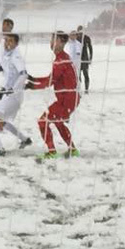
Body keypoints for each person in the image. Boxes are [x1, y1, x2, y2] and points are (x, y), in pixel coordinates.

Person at [26, 31, 81, 159]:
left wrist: (32, 86)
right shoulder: (62, 58)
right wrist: (33, 79)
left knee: (42, 121)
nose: (51, 43)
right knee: (57, 122)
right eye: (51, 40)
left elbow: (50, 82)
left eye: (54, 41)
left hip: (67, 100)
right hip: (70, 99)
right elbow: (51, 78)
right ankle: (72, 149)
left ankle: (51, 151)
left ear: (62, 42)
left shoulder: (61, 61)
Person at [0, 33, 32, 156]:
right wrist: (0, 68)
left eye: (11, 41)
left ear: (16, 43)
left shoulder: (16, 56)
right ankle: (25, 139)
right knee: (0, 121)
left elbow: (24, 74)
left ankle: (0, 149)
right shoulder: (8, 55)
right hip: (9, 94)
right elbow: (11, 71)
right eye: (6, 40)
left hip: (13, 95)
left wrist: (12, 89)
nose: (7, 43)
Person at [77, 25, 93, 93]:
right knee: (78, 75)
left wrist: (90, 58)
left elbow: (90, 49)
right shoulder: (76, 38)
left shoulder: (87, 38)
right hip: (77, 59)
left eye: (81, 31)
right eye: (79, 31)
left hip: (85, 59)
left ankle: (86, 90)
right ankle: (79, 89)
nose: (80, 32)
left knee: (85, 74)